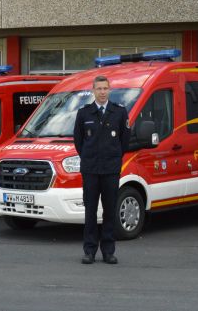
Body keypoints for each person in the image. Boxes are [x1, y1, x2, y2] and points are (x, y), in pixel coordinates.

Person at [73, 75, 130, 265]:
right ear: (93, 91)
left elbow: (124, 141)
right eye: (99, 89)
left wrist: (112, 158)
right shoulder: (84, 113)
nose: (102, 92)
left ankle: (108, 251)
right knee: (90, 211)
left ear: (110, 90)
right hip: (90, 170)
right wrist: (90, 158)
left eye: (105, 88)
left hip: (111, 170)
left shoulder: (119, 112)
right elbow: (79, 142)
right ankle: (89, 251)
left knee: (109, 211)